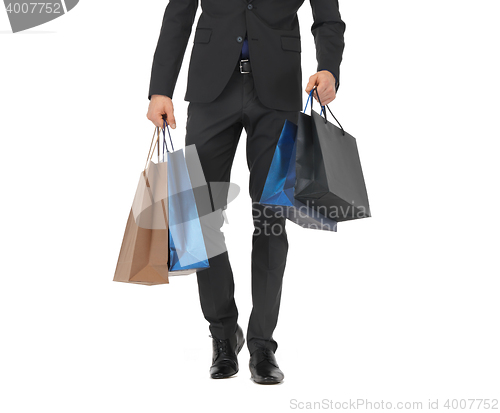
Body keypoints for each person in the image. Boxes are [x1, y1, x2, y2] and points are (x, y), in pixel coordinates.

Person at [146, 0, 345, 385]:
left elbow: (328, 18)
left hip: (278, 92)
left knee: (271, 218)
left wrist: (329, 68)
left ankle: (262, 345)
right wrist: (160, 89)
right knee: (198, 216)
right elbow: (178, 13)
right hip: (210, 91)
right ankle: (223, 335)